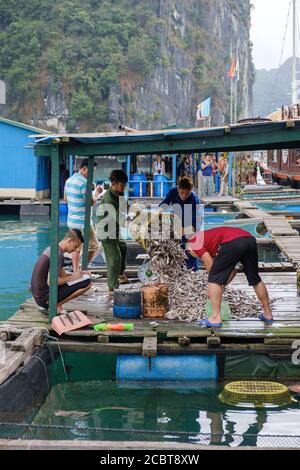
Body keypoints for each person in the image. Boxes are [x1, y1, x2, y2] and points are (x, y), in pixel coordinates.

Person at [186, 226, 273, 328]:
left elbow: (210, 264)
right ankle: (268, 313)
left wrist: (211, 288)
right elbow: (233, 271)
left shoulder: (192, 243)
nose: (197, 256)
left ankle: (215, 318)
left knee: (214, 278)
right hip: (249, 239)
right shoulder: (211, 243)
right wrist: (221, 286)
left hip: (233, 241)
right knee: (255, 279)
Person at [31, 229, 92, 314]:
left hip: (39, 296)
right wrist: (72, 278)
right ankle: (54, 306)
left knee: (83, 279)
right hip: (45, 299)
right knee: (87, 283)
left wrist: (80, 274)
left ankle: (56, 305)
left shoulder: (52, 249)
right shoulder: (58, 255)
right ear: (70, 241)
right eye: (75, 246)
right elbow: (51, 282)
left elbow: (63, 276)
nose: (76, 250)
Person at [64, 159, 103, 272]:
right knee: (93, 245)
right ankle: (81, 269)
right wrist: (97, 192)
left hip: (71, 220)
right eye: (91, 172)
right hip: (82, 222)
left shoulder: (69, 180)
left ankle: (78, 270)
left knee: (77, 247)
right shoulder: (84, 183)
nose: (92, 175)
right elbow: (90, 202)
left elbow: (66, 199)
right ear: (84, 168)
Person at [96, 170, 129, 301]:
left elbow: (124, 209)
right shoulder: (108, 199)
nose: (124, 188)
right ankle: (112, 288)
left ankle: (120, 274)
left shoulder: (118, 193)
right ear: (114, 184)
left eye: (124, 186)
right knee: (114, 258)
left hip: (114, 229)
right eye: (122, 186)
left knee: (123, 247)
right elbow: (120, 219)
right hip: (105, 232)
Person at [159, 176, 202, 271]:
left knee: (190, 252)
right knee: (173, 252)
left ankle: (193, 272)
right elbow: (164, 205)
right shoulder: (172, 192)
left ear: (191, 191)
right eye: (182, 193)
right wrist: (155, 215)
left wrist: (183, 231)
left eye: (187, 193)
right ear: (178, 189)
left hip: (189, 225)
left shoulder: (194, 199)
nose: (184, 196)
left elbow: (196, 224)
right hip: (176, 221)